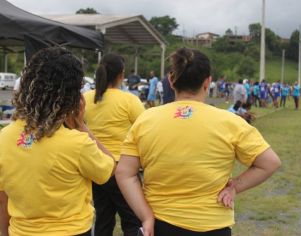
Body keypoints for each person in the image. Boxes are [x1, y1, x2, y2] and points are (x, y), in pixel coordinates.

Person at [115, 48, 281, 236]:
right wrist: (234, 187)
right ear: (208, 82)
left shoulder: (145, 120)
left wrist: (146, 217)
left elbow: (125, 173)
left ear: (171, 81)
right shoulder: (230, 122)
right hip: (213, 225)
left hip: (160, 223)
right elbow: (270, 163)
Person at [0, 47, 116, 236]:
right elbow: (110, 168)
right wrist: (82, 127)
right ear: (72, 97)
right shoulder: (77, 143)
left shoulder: (4, 138)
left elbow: (2, 198)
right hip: (72, 231)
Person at [84, 53, 144, 236]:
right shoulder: (129, 100)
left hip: (96, 169)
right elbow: (146, 130)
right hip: (122, 170)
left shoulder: (86, 98)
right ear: (121, 75)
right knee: (133, 220)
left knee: (103, 219)